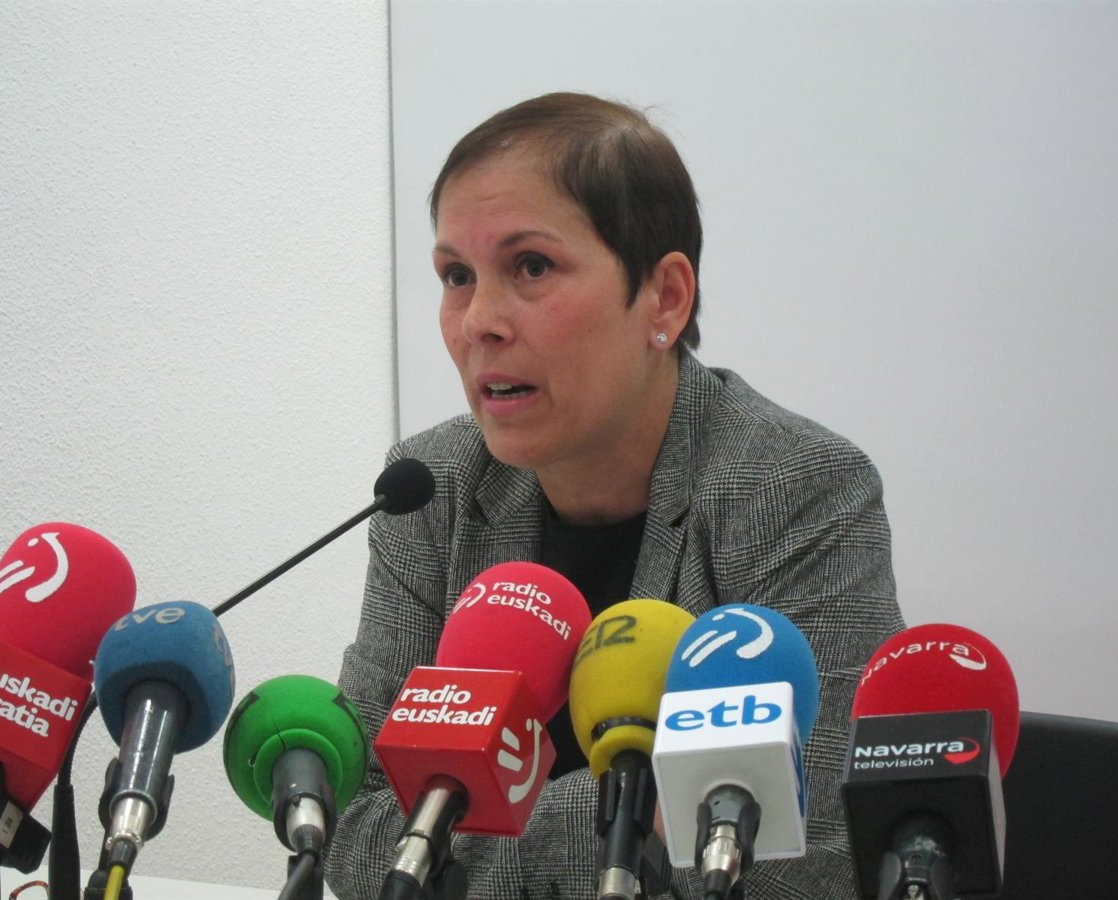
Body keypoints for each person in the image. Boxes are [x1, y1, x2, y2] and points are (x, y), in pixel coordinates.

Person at [325, 92, 903, 900]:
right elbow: (352, 830)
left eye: (531, 266)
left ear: (665, 298)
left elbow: (813, 861)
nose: (478, 321)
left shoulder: (797, 490)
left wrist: (462, 829)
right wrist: (641, 820)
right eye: (457, 275)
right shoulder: (432, 491)